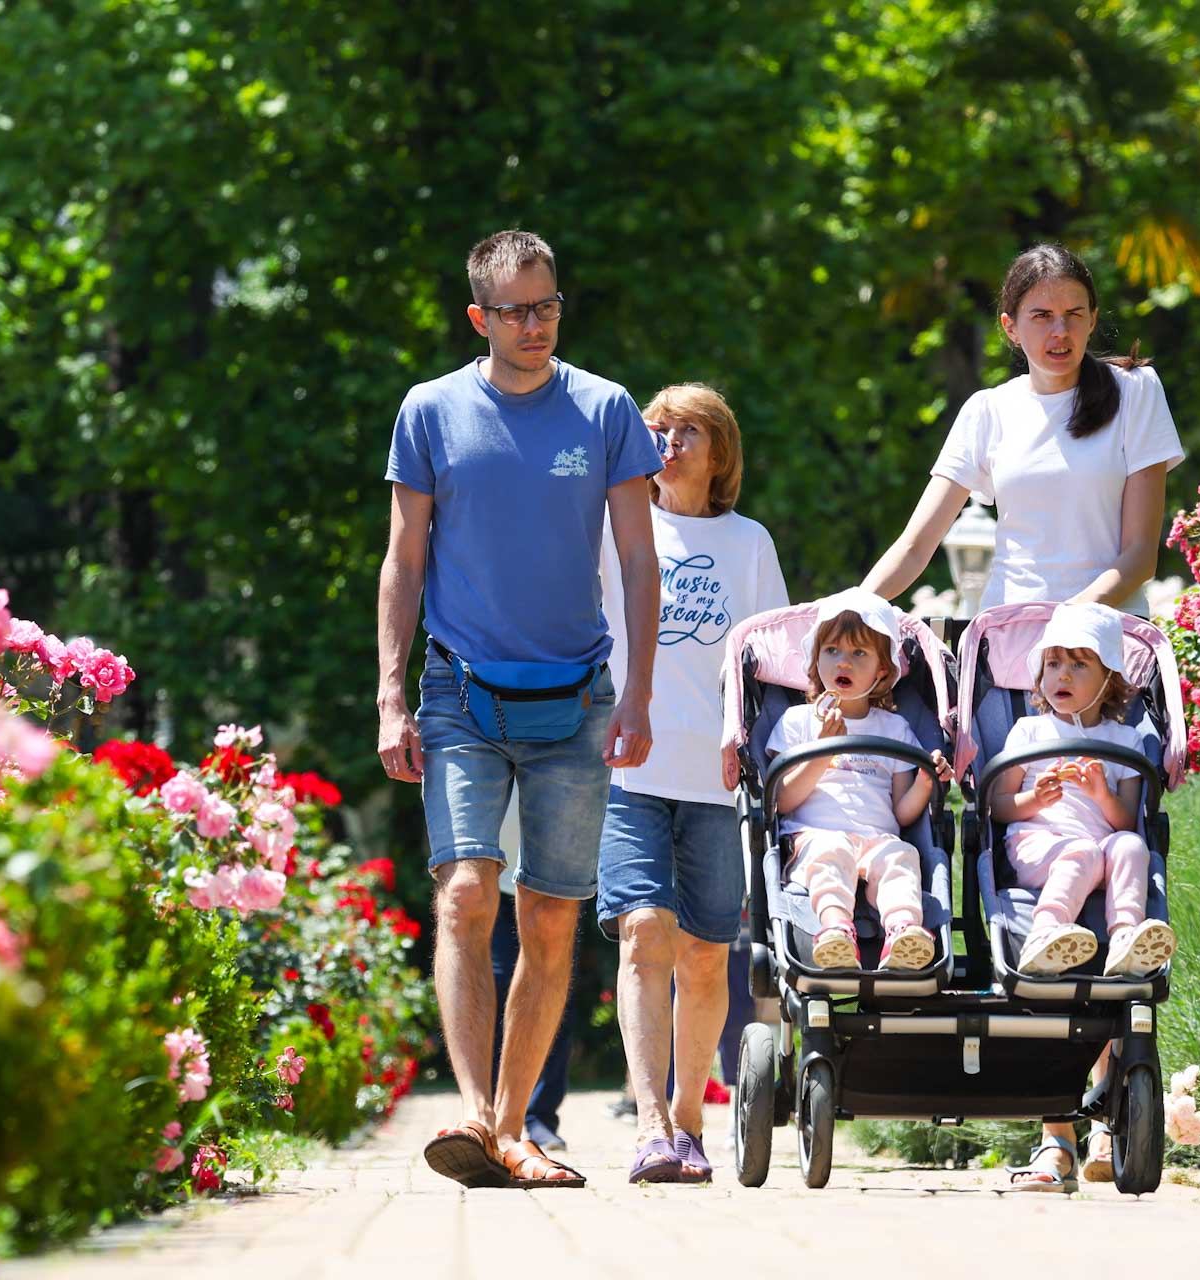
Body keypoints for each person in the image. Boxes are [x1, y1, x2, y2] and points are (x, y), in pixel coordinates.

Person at [862, 242, 1184, 1189]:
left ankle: (1120, 1084)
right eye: (1040, 315)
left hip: (1106, 669)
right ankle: (1053, 1128)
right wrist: (850, 617)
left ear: (1093, 321)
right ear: (1009, 326)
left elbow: (1137, 549)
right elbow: (924, 537)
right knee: (1024, 869)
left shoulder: (1135, 399)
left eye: (1075, 314)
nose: (1059, 331)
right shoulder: (988, 412)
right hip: (1005, 672)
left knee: (1121, 855)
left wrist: (1074, 638)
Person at [377, 228, 661, 1189]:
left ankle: (508, 1128)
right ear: (479, 317)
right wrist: (389, 694)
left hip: (577, 699)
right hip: (459, 690)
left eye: (547, 306)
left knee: (550, 919)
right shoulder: (431, 412)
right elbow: (405, 560)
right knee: (465, 893)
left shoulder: (606, 409)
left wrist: (641, 696)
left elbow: (634, 559)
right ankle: (471, 1108)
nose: (535, 324)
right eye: (515, 310)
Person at [595, 383, 787, 1183]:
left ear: (720, 454)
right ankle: (647, 1126)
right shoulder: (614, 526)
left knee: (707, 954)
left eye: (686, 432)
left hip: (715, 777)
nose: (667, 443)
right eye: (657, 430)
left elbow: (773, 660)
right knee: (643, 932)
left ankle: (687, 1121)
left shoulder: (748, 544)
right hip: (627, 767)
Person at [989, 603, 1176, 978]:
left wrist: (1101, 794)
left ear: (1109, 678)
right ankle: (1044, 932)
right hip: (1037, 842)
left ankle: (1125, 936)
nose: (1063, 676)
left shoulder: (1125, 740)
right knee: (1083, 851)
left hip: (1101, 848)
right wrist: (1034, 799)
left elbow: (1126, 820)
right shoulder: (1030, 731)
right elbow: (997, 806)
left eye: (1078, 665)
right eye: (1054, 664)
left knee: (1131, 845)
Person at [767, 591, 948, 976]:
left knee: (903, 857)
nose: (843, 661)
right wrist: (819, 752)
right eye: (831, 650)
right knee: (831, 852)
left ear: (882, 672)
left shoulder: (895, 729)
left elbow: (902, 812)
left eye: (858, 654)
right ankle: (835, 929)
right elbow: (782, 800)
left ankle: (903, 930)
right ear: (815, 659)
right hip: (815, 834)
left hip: (878, 837)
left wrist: (925, 785)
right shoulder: (798, 722)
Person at [489, 786, 578, 1154]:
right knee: (494, 985)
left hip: (556, 867)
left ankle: (539, 1115)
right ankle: (491, 1111)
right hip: (491, 870)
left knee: (551, 987)